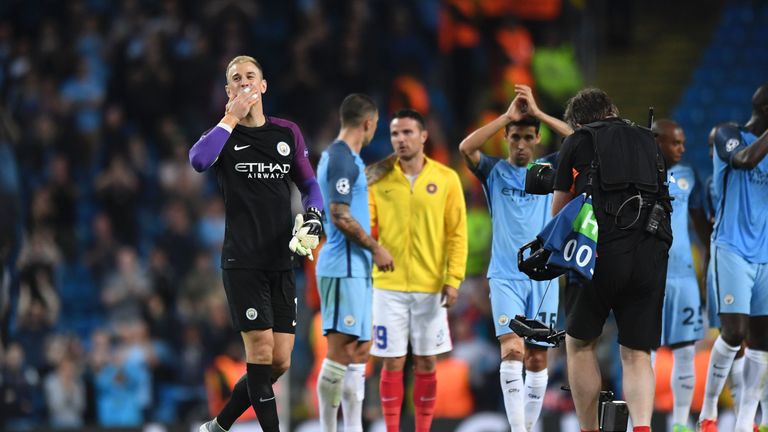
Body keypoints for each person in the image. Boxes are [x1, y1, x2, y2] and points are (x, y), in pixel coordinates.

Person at [189, 55, 324, 432]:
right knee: (260, 353)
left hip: (282, 260)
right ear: (230, 90)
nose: (245, 82)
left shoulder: (287, 133)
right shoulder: (224, 135)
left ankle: (217, 426)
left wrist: (314, 216)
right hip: (242, 260)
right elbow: (198, 160)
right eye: (236, 79)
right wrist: (230, 118)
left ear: (263, 85)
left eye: (251, 76)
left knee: (278, 362)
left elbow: (310, 185)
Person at [552, 88, 672, 432]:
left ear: (577, 122)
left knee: (579, 344)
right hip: (650, 254)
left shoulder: (577, 141)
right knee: (636, 353)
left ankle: (590, 429)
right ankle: (643, 427)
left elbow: (560, 212)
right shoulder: (650, 140)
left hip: (599, 256)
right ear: (612, 110)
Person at [458, 85, 572, 432]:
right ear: (506, 138)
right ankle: (519, 430)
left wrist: (537, 113)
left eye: (527, 137)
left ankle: (528, 426)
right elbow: (466, 147)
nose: (521, 144)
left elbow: (581, 141)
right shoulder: (493, 171)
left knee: (539, 358)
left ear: (537, 139)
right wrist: (506, 116)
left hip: (545, 277)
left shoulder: (549, 169)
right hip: (505, 275)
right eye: (514, 137)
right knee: (512, 351)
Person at [367, 108, 467, 432]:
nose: (401, 139)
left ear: (424, 136)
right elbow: (366, 227)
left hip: (431, 287)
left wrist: (453, 280)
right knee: (392, 361)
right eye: (395, 133)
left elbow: (457, 233)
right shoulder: (378, 179)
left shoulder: (446, 178)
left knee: (426, 361)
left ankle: (423, 429)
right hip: (387, 285)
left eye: (408, 132)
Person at [314, 93, 394, 432]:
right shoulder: (340, 158)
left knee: (360, 352)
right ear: (368, 124)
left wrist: (398, 160)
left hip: (356, 270)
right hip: (342, 266)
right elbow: (339, 213)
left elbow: (361, 181)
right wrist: (376, 247)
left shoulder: (349, 160)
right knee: (338, 352)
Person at [697, 84, 768, 432]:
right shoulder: (729, 134)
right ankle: (708, 409)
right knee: (733, 332)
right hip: (731, 248)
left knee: (762, 340)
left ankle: (744, 423)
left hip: (765, 254)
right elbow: (743, 160)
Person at [651, 119, 711, 432]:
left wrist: (712, 260)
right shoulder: (637, 175)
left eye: (683, 142)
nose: (682, 148)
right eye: (676, 142)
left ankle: (680, 424)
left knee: (686, 349)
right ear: (657, 142)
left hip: (685, 275)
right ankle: (640, 421)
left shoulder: (689, 176)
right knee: (643, 350)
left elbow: (702, 222)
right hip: (650, 277)